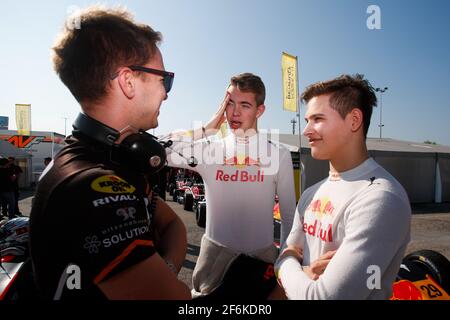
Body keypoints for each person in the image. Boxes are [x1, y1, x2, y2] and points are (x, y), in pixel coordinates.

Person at [29, 6, 190, 300]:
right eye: (164, 79)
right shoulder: (90, 186)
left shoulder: (107, 156)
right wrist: (168, 277)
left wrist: (162, 271)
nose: (166, 92)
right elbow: (177, 298)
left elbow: (173, 224)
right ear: (128, 82)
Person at [274, 74, 411, 299]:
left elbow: (321, 296)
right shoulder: (311, 193)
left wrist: (289, 263)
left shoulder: (381, 198)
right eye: (307, 120)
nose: (306, 130)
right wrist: (300, 268)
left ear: (354, 120)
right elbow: (281, 259)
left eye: (317, 119)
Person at [164, 73, 297, 299]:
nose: (234, 113)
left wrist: (284, 265)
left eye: (244, 105)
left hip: (262, 262)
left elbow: (289, 218)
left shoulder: (278, 154)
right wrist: (207, 128)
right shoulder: (209, 151)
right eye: (229, 104)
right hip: (214, 262)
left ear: (260, 110)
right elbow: (160, 149)